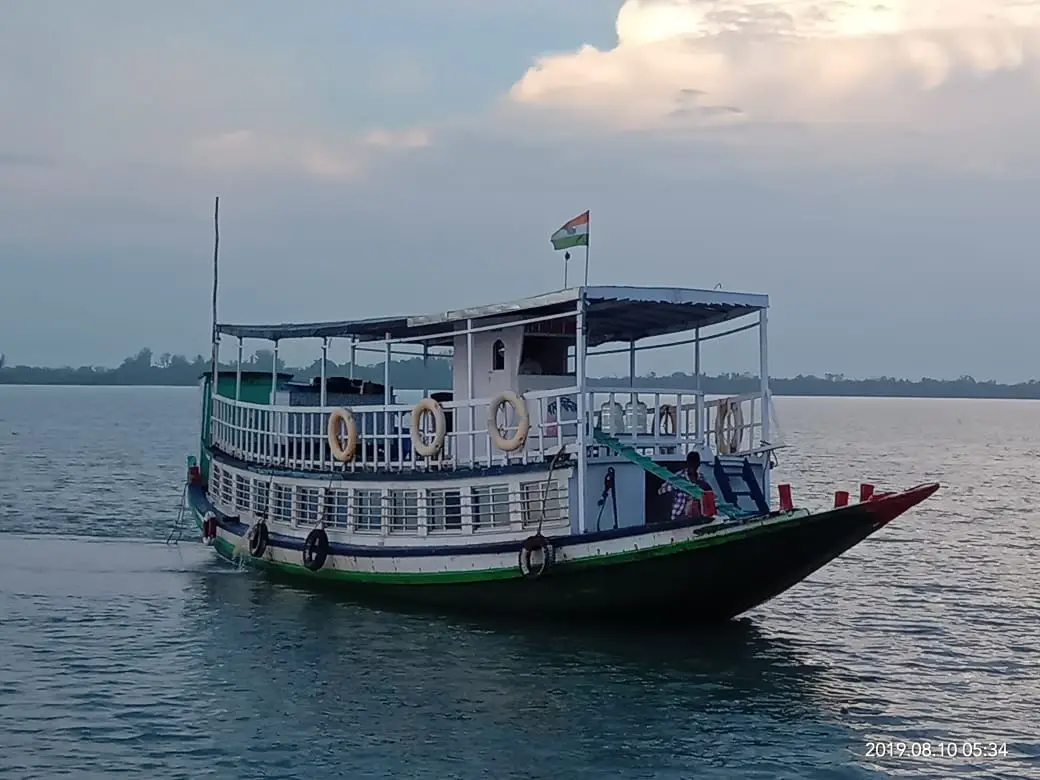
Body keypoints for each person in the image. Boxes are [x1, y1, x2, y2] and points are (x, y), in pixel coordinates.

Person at [658, 451, 714, 520]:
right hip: (679, 516)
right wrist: (674, 492)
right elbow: (661, 491)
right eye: (691, 463)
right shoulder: (678, 477)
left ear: (698, 464)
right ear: (687, 463)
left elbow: (710, 494)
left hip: (696, 516)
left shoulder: (701, 479)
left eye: (694, 463)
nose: (692, 466)